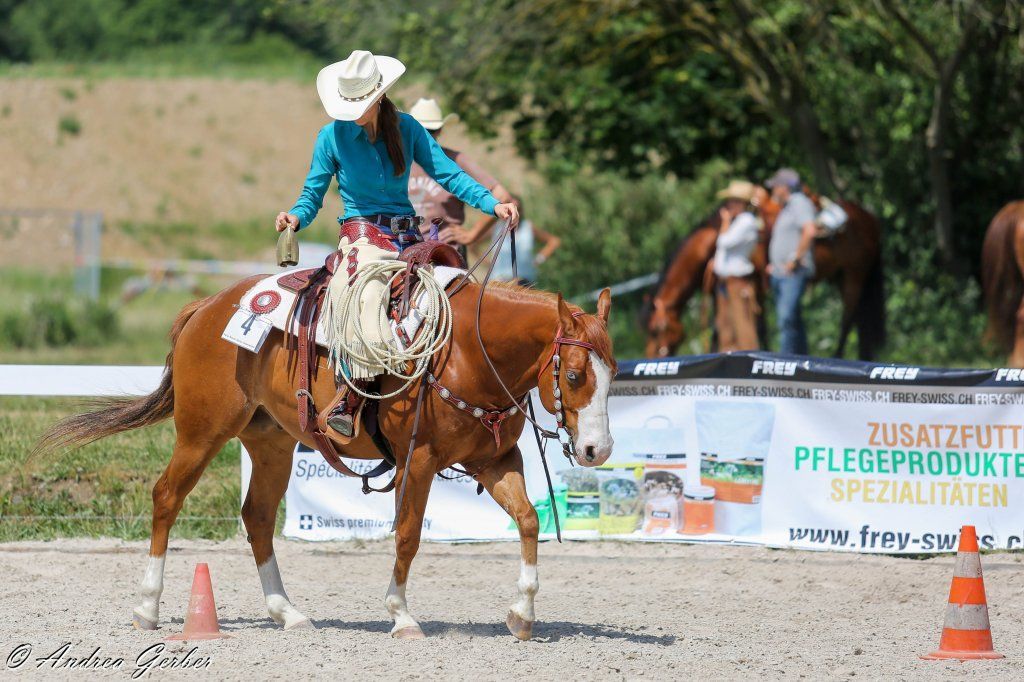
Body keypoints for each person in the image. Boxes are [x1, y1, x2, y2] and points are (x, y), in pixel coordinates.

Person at [274, 50, 519, 436]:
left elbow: (449, 175)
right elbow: (312, 194)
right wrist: (295, 217)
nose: (351, 109)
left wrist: (493, 204)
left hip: (409, 234)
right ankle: (353, 396)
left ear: (378, 96)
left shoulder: (408, 129)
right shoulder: (331, 136)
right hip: (362, 235)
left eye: (358, 101)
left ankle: (457, 390)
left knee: (457, 294)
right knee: (365, 298)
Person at [405, 98, 513, 259]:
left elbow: (501, 196)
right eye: (421, 130)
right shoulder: (399, 160)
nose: (425, 135)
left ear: (440, 130)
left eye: (431, 130)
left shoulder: (454, 160)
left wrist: (472, 234)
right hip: (405, 251)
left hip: (446, 255)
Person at [454, 194, 560, 286]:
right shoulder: (496, 228)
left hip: (525, 282)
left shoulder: (528, 227)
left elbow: (554, 241)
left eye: (517, 208)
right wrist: (488, 263)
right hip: (499, 281)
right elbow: (473, 245)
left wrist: (538, 259)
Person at [766, 168, 817, 355]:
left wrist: (795, 258)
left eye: (775, 186)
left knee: (786, 319)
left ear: (784, 187)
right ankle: (801, 363)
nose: (772, 190)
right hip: (780, 272)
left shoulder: (799, 203)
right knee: (793, 320)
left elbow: (809, 230)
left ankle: (785, 366)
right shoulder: (787, 207)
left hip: (793, 272)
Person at [711, 180, 761, 351]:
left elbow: (724, 242)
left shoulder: (746, 221)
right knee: (725, 326)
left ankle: (747, 365)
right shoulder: (739, 221)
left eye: (733, 201)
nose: (729, 205)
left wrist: (725, 222)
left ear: (742, 203)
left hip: (737, 282)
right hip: (726, 282)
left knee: (742, 326)